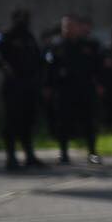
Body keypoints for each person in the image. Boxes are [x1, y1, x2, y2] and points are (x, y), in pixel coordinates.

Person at [0, 8, 46, 170]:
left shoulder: (29, 37)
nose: (24, 21)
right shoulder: (4, 35)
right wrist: (1, 65)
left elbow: (38, 59)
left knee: (28, 120)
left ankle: (29, 155)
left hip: (30, 84)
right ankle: (11, 157)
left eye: (26, 18)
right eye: (21, 18)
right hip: (14, 84)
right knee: (12, 120)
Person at [44, 14, 104, 165]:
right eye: (66, 26)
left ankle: (92, 153)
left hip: (85, 88)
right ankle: (64, 154)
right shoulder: (56, 46)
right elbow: (49, 69)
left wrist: (100, 84)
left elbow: (98, 66)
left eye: (71, 26)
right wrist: (48, 86)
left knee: (89, 121)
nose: (68, 29)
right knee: (63, 122)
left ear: (78, 27)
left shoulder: (89, 45)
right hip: (64, 89)